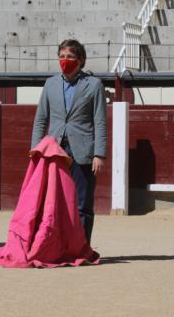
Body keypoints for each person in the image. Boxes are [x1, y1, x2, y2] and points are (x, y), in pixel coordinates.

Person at [31, 39, 107, 243]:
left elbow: (100, 121)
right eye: (62, 56)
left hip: (83, 150)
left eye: (70, 57)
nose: (65, 61)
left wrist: (99, 154)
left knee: (82, 204)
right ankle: (57, 247)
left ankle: (81, 248)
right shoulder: (51, 83)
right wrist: (35, 150)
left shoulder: (94, 84)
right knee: (53, 203)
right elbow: (40, 119)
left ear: (80, 60)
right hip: (54, 151)